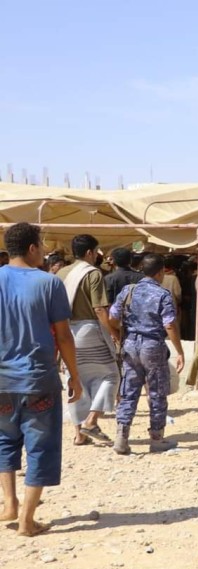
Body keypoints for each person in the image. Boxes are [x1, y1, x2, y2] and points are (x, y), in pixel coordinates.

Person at [1, 223, 83, 537]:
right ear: (33, 248)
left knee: (4, 440)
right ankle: (26, 520)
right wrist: (74, 375)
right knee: (41, 447)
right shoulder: (49, 283)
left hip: (1, 380)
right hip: (37, 378)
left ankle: (9, 504)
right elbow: (64, 336)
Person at [108, 254, 186, 454]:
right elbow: (169, 324)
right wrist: (179, 351)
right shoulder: (162, 294)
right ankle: (157, 438)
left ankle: (121, 437)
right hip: (152, 345)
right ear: (160, 272)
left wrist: (121, 334)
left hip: (130, 344)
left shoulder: (128, 291)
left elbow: (112, 317)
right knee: (157, 391)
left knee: (129, 391)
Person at [57, 235, 120, 447]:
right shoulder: (93, 274)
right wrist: (113, 333)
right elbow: (100, 309)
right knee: (111, 375)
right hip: (89, 330)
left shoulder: (61, 273)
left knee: (76, 380)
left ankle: (79, 434)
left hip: (66, 331)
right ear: (89, 253)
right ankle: (91, 421)